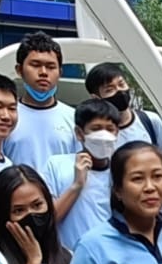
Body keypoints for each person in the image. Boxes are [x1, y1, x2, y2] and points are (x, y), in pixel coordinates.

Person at [42, 97, 122, 248]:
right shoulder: (56, 165)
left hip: (110, 259)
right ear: (79, 133)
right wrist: (76, 185)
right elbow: (47, 221)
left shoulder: (121, 172)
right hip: (69, 261)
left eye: (110, 129)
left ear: (117, 133)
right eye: (96, 128)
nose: (103, 135)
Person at [6, 31, 76, 171]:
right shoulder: (6, 117)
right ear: (19, 70)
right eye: (35, 65)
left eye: (51, 67)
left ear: (60, 73)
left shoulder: (74, 118)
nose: (43, 72)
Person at [87, 60, 162, 150]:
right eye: (110, 89)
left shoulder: (150, 120)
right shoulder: (98, 133)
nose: (119, 91)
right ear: (96, 98)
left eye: (121, 84)